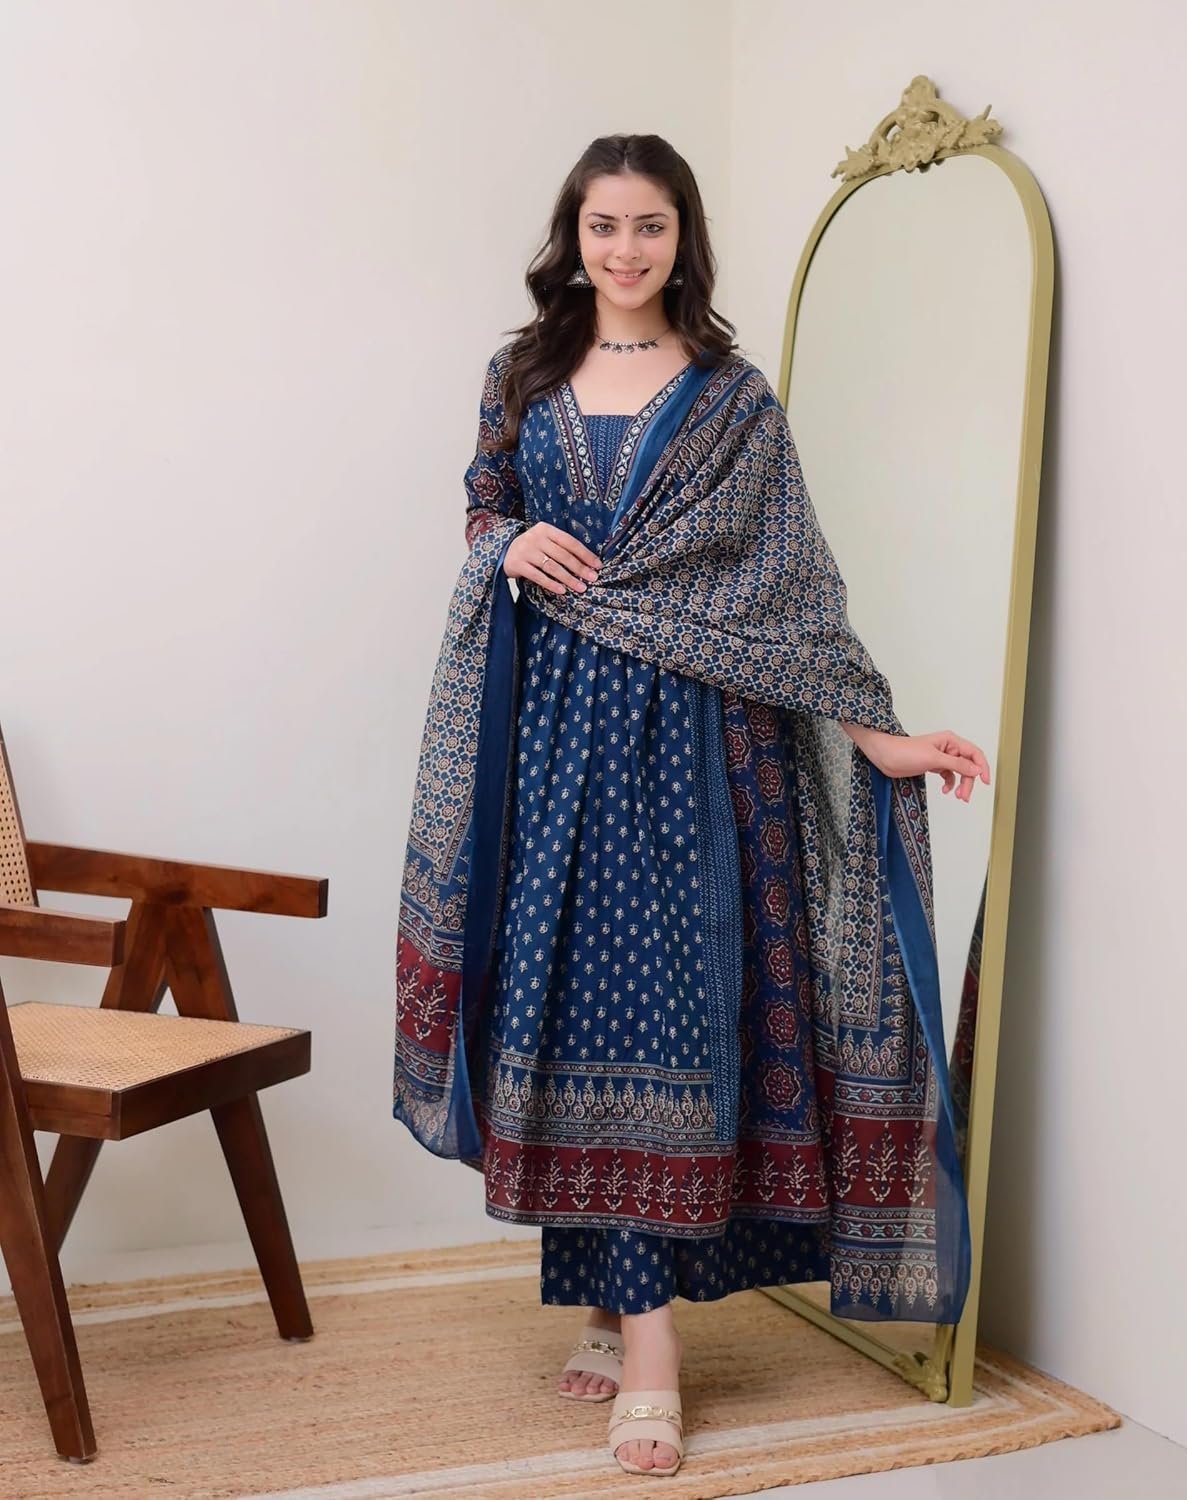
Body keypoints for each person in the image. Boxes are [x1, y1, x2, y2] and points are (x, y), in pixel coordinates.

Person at [394, 133, 991, 1480]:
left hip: (705, 757)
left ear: (683, 238)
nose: (625, 250)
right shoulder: (522, 372)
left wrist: (880, 738)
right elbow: (484, 505)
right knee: (571, 1021)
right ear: (574, 234)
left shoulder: (733, 399)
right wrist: (507, 544)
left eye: (649, 226)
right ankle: (612, 1305)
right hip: (555, 748)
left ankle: (651, 1356)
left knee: (667, 1026)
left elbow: (793, 593)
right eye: (603, 226)